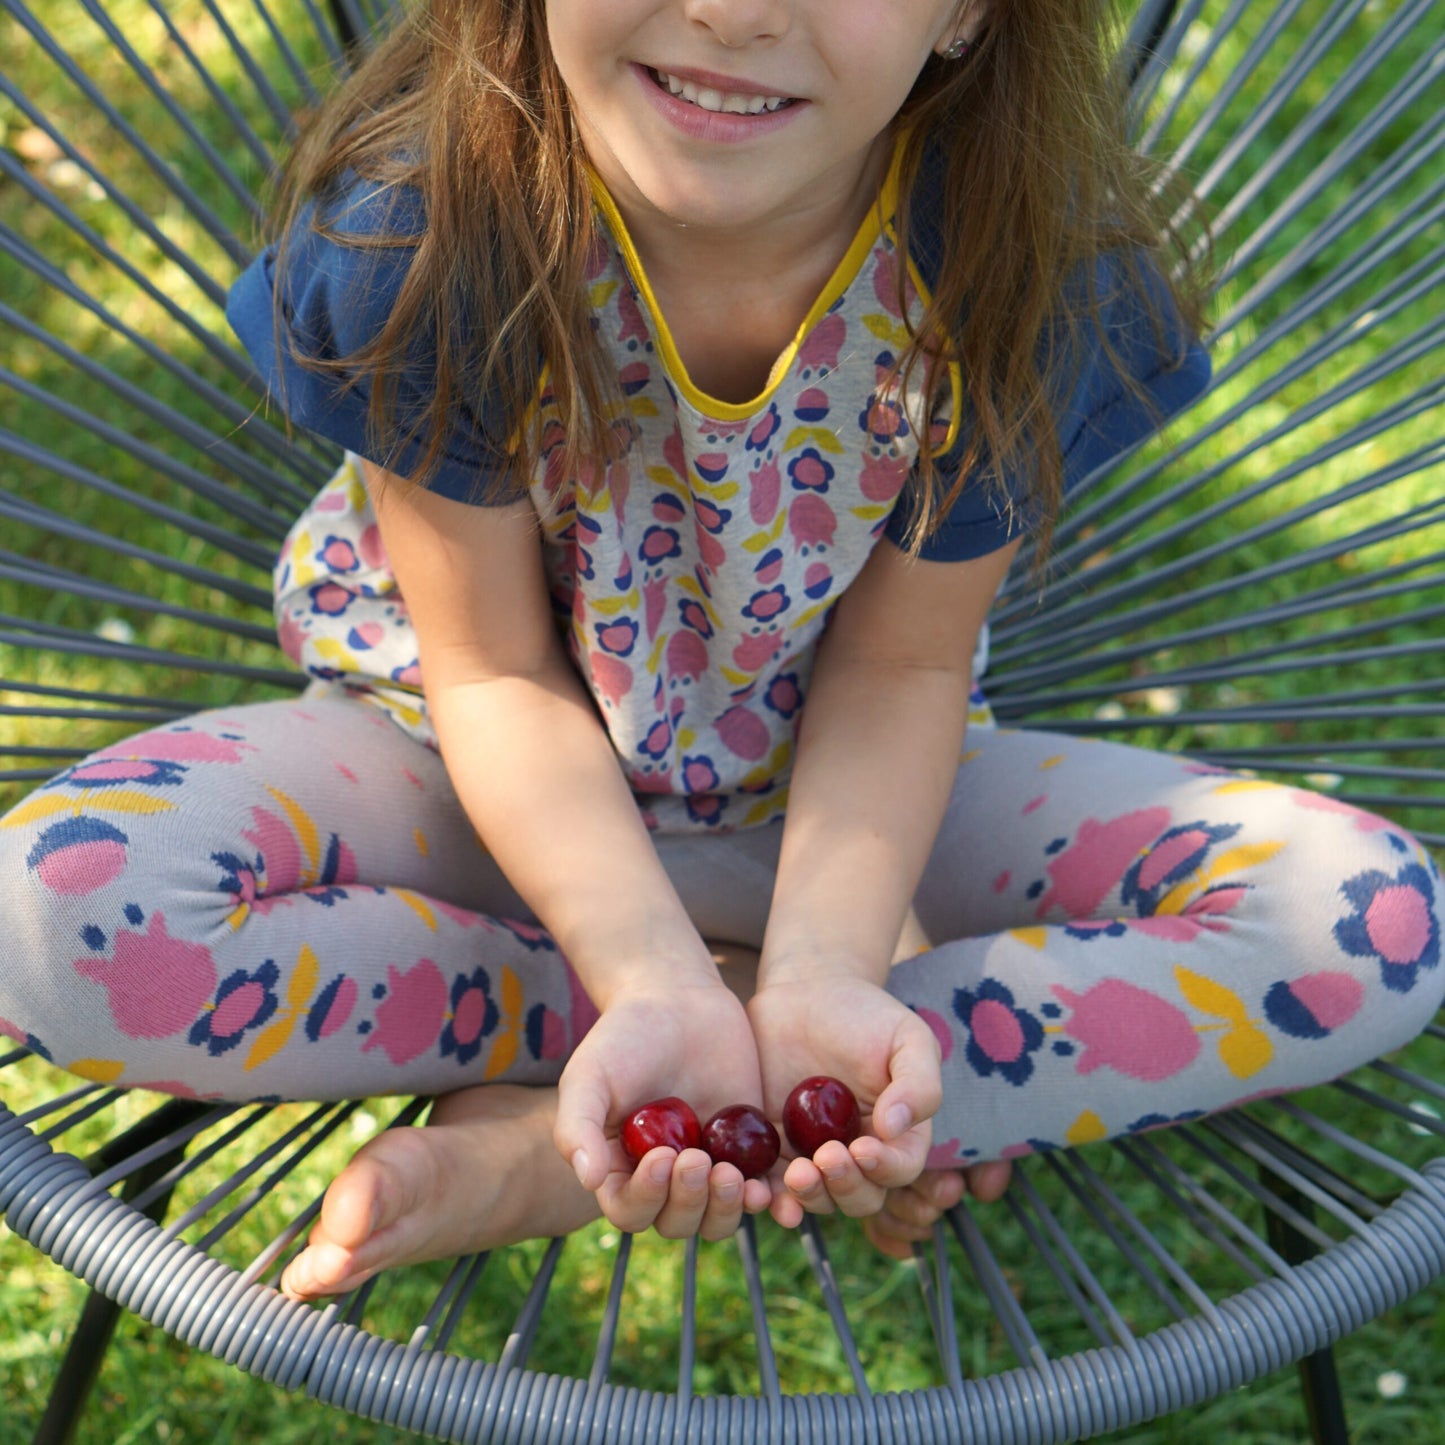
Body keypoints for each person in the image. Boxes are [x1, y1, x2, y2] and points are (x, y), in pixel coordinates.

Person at [2, 0, 1441, 1306]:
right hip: (448, 773)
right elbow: (491, 671)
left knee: (1367, 923)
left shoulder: (1026, 265)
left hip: (834, 804)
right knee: (55, 919)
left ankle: (608, 1124)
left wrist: (821, 964)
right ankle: (698, 1052)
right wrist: (649, 980)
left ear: (964, 15)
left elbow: (900, 674)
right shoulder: (422, 230)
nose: (734, 12)